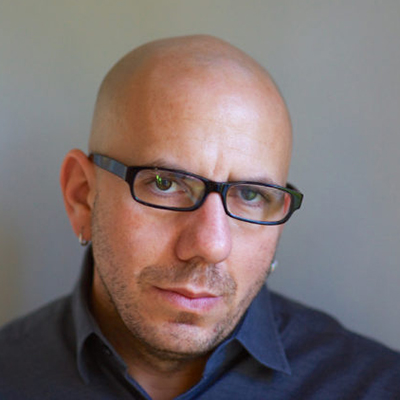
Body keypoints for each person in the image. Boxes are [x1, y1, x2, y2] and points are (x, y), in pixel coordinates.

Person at [0, 35, 399, 400]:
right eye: (164, 183)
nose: (210, 245)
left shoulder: (377, 387)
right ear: (82, 197)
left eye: (250, 195)